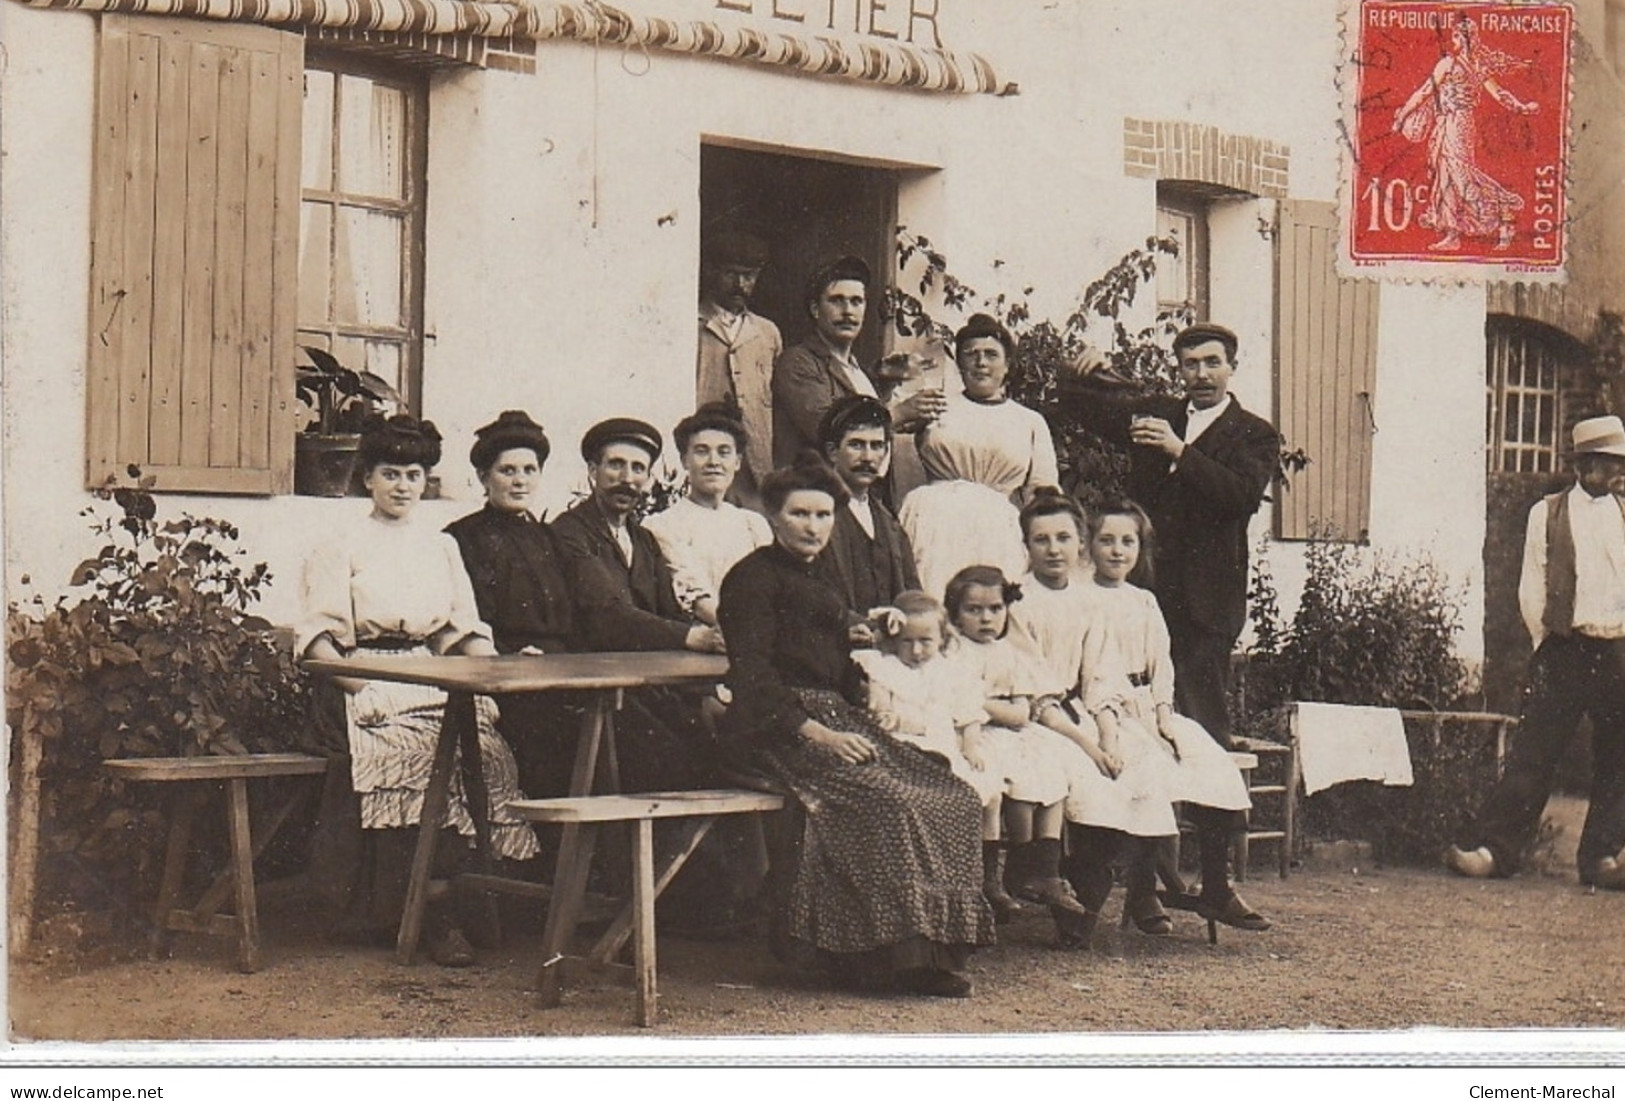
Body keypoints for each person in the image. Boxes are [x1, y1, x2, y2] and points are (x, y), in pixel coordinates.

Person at [717, 459, 995, 997]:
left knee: (948, 792)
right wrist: (820, 734)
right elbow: (754, 678)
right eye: (800, 513)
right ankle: (871, 954)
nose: (813, 525)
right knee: (888, 800)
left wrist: (868, 698)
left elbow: (835, 655)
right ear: (773, 516)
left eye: (823, 514)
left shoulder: (822, 577)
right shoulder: (750, 579)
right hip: (774, 729)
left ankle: (928, 949)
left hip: (835, 715)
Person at [298, 415, 539, 968]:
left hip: (433, 678)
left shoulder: (441, 547)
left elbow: (459, 631)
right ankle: (426, 915)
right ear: (367, 480)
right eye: (390, 474)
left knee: (488, 755)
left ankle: (469, 902)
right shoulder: (338, 546)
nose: (403, 486)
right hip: (362, 681)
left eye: (414, 474)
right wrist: (365, 690)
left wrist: (497, 672)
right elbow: (317, 646)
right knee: (415, 758)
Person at [1065, 322, 1280, 748]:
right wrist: (1080, 372)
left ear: (1232, 367)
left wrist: (1179, 451)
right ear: (1180, 370)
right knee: (1137, 710)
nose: (1202, 374)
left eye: (1212, 363)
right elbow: (1087, 410)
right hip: (1146, 589)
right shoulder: (1159, 414)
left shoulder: (1255, 433)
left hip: (1208, 600)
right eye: (1191, 365)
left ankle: (1219, 815)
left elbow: (1239, 496)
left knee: (1202, 720)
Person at [1447, 416, 1625, 891]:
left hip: (1617, 651)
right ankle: (1495, 851)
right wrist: (1546, 643)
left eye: (1615, 465)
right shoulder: (1546, 513)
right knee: (1534, 755)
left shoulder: (1624, 515)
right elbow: (1532, 587)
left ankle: (1602, 858)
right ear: (1580, 464)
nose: (1608, 474)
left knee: (1618, 756)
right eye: (1600, 463)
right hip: (1565, 649)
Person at [1074, 499, 1264, 932]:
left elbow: (1163, 663)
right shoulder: (1083, 598)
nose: (1117, 551)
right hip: (1104, 710)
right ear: (1089, 546)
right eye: (1107, 540)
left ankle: (1216, 884)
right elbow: (1094, 671)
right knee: (1149, 776)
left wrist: (1163, 714)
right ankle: (1142, 893)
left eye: (1128, 541)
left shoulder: (1144, 601)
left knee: (1210, 763)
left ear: (1141, 548)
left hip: (1149, 706)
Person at [1008, 488, 1181, 936]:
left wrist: (1108, 738)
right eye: (1041, 539)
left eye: (1063, 538)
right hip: (1036, 720)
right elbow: (1034, 691)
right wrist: (1089, 745)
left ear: (1080, 544)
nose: (1053, 549)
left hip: (1081, 715)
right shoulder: (1017, 602)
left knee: (1128, 773)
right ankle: (1063, 892)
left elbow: (1101, 677)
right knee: (1089, 785)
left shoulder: (1087, 602)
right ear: (1026, 545)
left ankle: (1086, 900)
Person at [939, 565, 1099, 942]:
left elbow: (1022, 711)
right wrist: (991, 707)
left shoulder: (1009, 654)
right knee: (1007, 778)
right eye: (973, 610)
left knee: (1049, 773)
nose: (985, 618)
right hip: (971, 734)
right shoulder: (951, 652)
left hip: (1010, 730)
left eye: (994, 609)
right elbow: (952, 702)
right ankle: (1001, 876)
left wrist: (984, 702)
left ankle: (1044, 869)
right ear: (955, 614)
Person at [849, 591, 1012, 917]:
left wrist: (970, 746)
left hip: (944, 744)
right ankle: (930, 879)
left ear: (942, 637)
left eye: (926, 640)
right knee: (937, 794)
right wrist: (888, 716)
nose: (917, 650)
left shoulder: (950, 671)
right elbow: (880, 714)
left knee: (989, 793)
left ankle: (987, 877)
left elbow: (968, 714)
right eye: (907, 641)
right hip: (903, 746)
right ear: (895, 639)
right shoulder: (885, 669)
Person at [445, 410, 577, 798]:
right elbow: (466, 619)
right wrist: (509, 654)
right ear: (484, 478)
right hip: (503, 671)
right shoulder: (461, 538)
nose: (520, 480)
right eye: (507, 471)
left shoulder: (550, 537)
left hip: (564, 668)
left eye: (529, 470)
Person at [899, 313, 1060, 600]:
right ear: (959, 363)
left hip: (998, 527)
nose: (981, 362)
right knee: (931, 602)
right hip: (936, 521)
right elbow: (889, 444)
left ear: (1007, 364)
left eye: (991, 355)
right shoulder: (935, 405)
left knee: (988, 609)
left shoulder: (1028, 421)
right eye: (971, 354)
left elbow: (1042, 493)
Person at [771, 255, 947, 469]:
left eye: (856, 301)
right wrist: (902, 412)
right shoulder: (798, 362)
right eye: (837, 300)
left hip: (862, 493)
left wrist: (886, 384)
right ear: (816, 310)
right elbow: (829, 430)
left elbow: (861, 415)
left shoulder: (854, 368)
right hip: (819, 493)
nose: (848, 311)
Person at [1392, 17, 1538, 253]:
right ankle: (1452, 234)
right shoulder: (1477, 66)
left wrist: (1401, 117)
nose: (1456, 40)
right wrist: (1521, 106)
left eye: (1458, 36)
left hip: (1456, 124)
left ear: (1461, 39)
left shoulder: (1449, 64)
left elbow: (1424, 92)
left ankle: (1504, 211)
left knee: (1460, 177)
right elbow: (1501, 94)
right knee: (1445, 176)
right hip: (1451, 124)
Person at [641, 403, 773, 628]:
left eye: (724, 452)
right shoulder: (661, 525)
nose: (714, 462)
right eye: (702, 451)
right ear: (685, 460)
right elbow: (696, 597)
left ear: (737, 462)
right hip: (704, 642)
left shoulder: (753, 524)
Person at [815, 395, 923, 619]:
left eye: (876, 446)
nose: (868, 457)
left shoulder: (888, 521)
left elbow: (912, 593)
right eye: (856, 445)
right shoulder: (814, 515)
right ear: (833, 451)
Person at [697, 228, 782, 508]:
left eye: (749, 276)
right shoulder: (693, 324)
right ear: (712, 271)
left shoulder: (767, 333)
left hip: (754, 463)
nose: (740, 284)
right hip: (706, 457)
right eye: (731, 273)